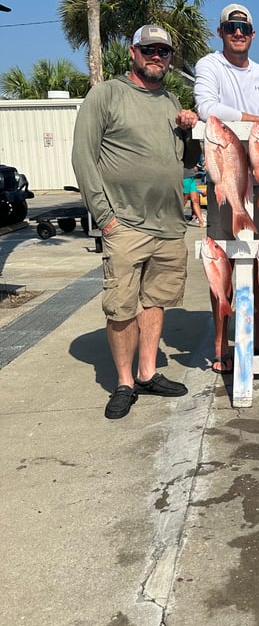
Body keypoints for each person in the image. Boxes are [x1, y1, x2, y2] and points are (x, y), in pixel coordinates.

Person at [72, 24, 200, 420]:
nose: (157, 56)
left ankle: (147, 372)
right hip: (124, 223)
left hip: (167, 224)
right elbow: (83, 157)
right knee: (121, 306)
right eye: (150, 50)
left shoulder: (170, 101)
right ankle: (124, 382)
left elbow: (186, 164)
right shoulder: (107, 94)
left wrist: (189, 132)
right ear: (133, 52)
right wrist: (105, 218)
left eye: (163, 50)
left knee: (155, 300)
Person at [194, 3, 259, 371]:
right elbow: (205, 108)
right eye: (231, 27)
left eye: (244, 27)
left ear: (253, 33)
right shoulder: (209, 65)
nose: (238, 32)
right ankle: (220, 342)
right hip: (226, 176)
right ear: (221, 32)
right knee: (223, 260)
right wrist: (249, 119)